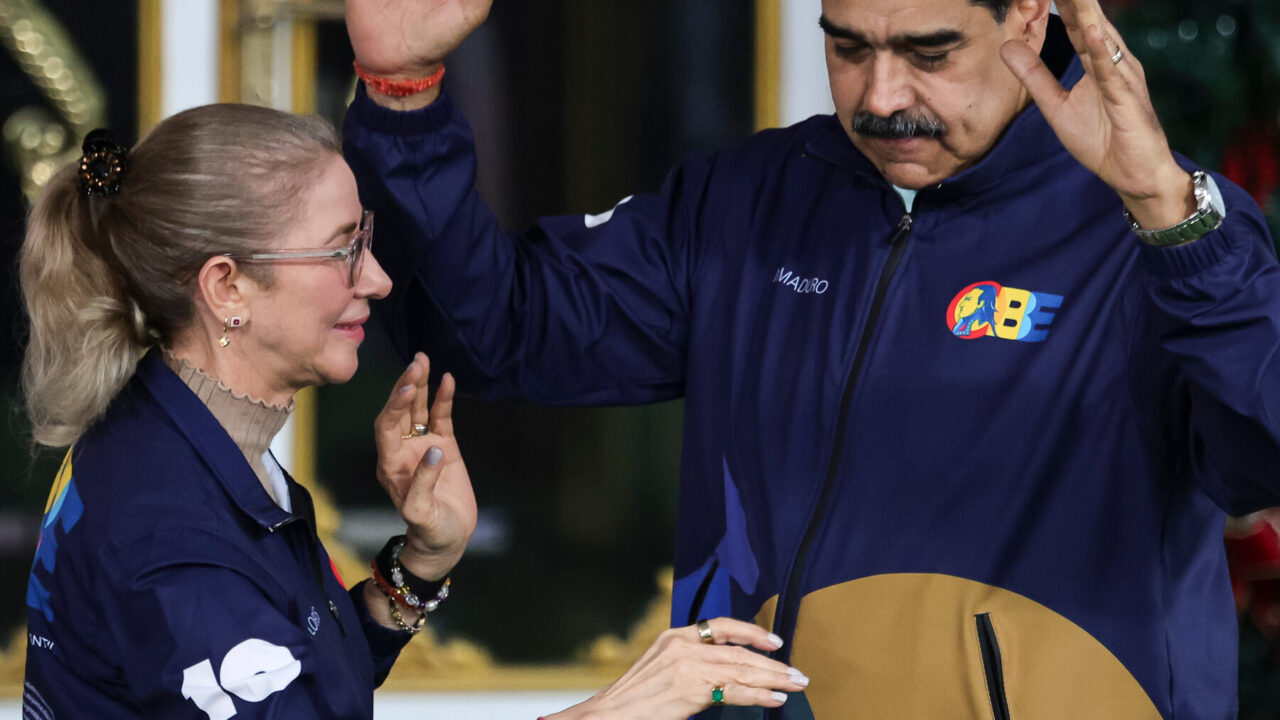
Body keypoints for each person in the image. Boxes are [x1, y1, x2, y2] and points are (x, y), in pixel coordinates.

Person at [341, 0, 1280, 716]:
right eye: (848, 47)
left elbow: (1264, 461)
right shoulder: (750, 199)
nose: (881, 97)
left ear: (1029, 19)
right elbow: (497, 331)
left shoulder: (1160, 226)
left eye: (930, 53)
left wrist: (1173, 222)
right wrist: (402, 94)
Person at [19, 106, 808, 719]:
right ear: (227, 287)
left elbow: (292, 685)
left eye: (366, 239)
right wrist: (620, 706)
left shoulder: (189, 443)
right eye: (343, 250)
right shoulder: (168, 530)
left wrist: (419, 566)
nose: (378, 279)